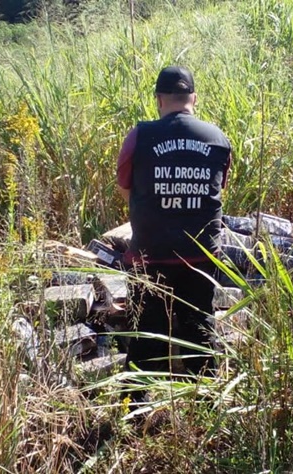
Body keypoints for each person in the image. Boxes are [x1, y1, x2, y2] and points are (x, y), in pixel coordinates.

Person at [116, 66, 232, 382]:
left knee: (144, 340)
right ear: (193, 98)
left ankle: (133, 414)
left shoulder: (139, 136)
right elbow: (217, 189)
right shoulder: (217, 138)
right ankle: (210, 411)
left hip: (149, 258)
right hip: (201, 258)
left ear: (159, 100)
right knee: (200, 334)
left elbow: (126, 188)